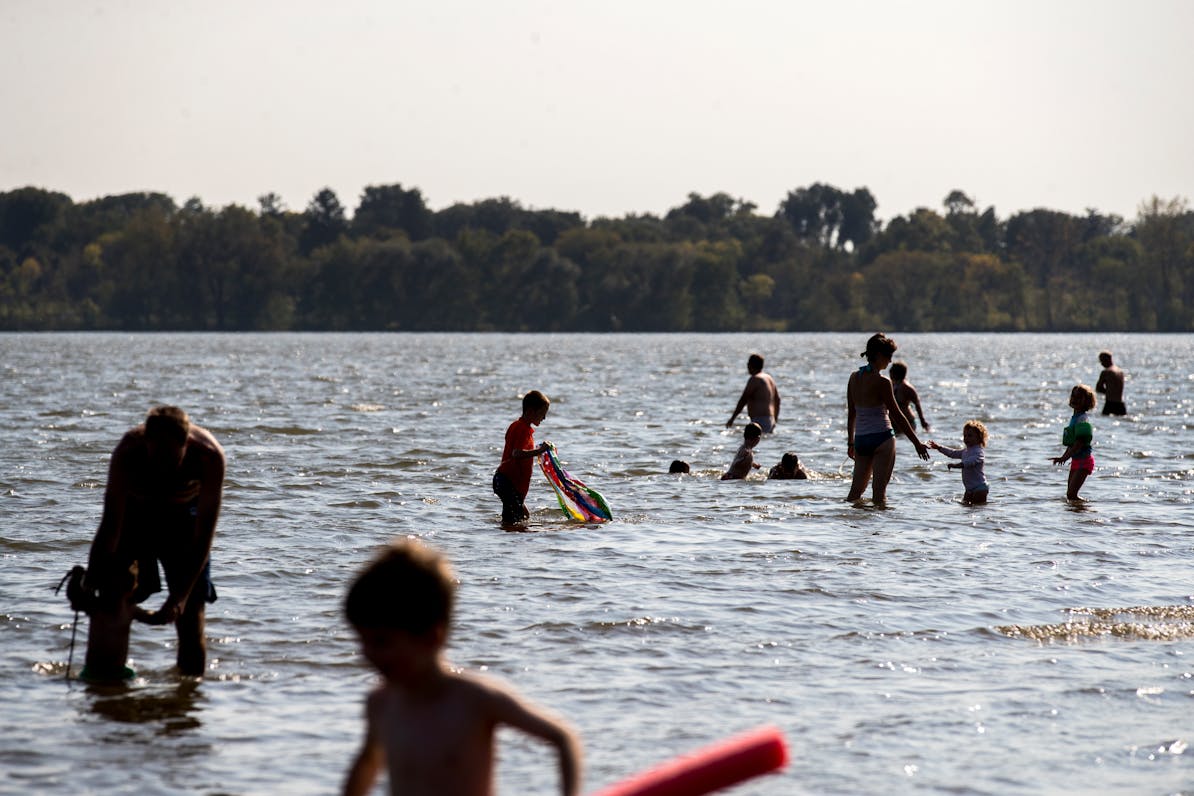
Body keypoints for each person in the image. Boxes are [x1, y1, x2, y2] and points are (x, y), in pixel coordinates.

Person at [343, 537, 582, 796]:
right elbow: (368, 762)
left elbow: (562, 739)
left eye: (382, 641)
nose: (368, 653)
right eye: (362, 640)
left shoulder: (474, 699)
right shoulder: (381, 703)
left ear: (432, 637)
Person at [83, 405, 224, 677]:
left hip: (185, 521)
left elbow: (203, 537)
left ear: (187, 444)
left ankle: (186, 699)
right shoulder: (127, 453)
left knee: (191, 615)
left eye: (170, 457)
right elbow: (111, 524)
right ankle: (106, 691)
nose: (162, 465)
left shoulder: (208, 457)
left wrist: (178, 598)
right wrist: (90, 581)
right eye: (155, 454)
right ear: (145, 442)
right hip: (136, 518)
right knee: (111, 598)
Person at [846, 334, 930, 504]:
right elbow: (898, 415)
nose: (890, 361)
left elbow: (851, 413)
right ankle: (880, 528)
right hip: (882, 439)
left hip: (861, 440)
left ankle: (852, 528)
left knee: (854, 494)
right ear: (878, 355)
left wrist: (850, 442)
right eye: (888, 356)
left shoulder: (854, 378)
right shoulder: (883, 382)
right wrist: (917, 443)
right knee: (879, 494)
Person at [80, 561, 167, 682]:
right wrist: (76, 578)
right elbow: (75, 597)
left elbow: (154, 618)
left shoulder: (129, 609)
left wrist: (166, 613)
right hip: (93, 670)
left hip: (119, 671)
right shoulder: (96, 606)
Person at [492, 391, 551, 526]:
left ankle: (505, 539)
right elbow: (516, 454)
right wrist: (539, 451)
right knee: (515, 520)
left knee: (522, 516)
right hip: (506, 481)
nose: (544, 418)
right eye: (543, 412)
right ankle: (510, 542)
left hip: (507, 482)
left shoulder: (520, 427)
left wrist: (538, 451)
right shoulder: (521, 428)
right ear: (531, 411)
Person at [1052, 384, 1096, 500]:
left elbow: (1079, 443)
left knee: (1072, 494)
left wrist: (1065, 458)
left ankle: (1087, 510)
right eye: (1073, 396)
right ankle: (1076, 515)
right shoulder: (1074, 418)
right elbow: (1072, 443)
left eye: (1079, 398)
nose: (1074, 399)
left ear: (1087, 401)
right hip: (1076, 460)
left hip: (1084, 461)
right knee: (1070, 496)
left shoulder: (1082, 419)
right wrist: (1063, 457)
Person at [929, 421, 989, 505]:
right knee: (965, 507)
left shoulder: (979, 452)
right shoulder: (965, 451)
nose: (966, 438)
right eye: (965, 435)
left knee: (978, 508)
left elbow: (970, 462)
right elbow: (952, 453)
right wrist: (939, 447)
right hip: (969, 489)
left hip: (980, 488)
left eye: (970, 436)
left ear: (979, 438)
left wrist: (957, 465)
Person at [726, 353, 780, 433]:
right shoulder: (769, 378)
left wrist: (732, 419)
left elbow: (743, 400)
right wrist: (775, 419)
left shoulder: (755, 379)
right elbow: (777, 400)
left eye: (748, 363)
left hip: (760, 421)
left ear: (750, 365)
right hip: (770, 419)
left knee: (751, 443)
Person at [890, 362, 931, 434]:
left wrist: (922, 421)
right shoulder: (890, 385)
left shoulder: (908, 388)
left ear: (896, 373)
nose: (889, 373)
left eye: (891, 371)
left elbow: (917, 404)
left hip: (908, 423)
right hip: (893, 424)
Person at [1096, 351, 1127, 415]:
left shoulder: (1106, 372)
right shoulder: (1120, 372)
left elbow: (1098, 388)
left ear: (1106, 359)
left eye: (1101, 361)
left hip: (1110, 404)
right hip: (1121, 404)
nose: (1101, 364)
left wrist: (1108, 392)